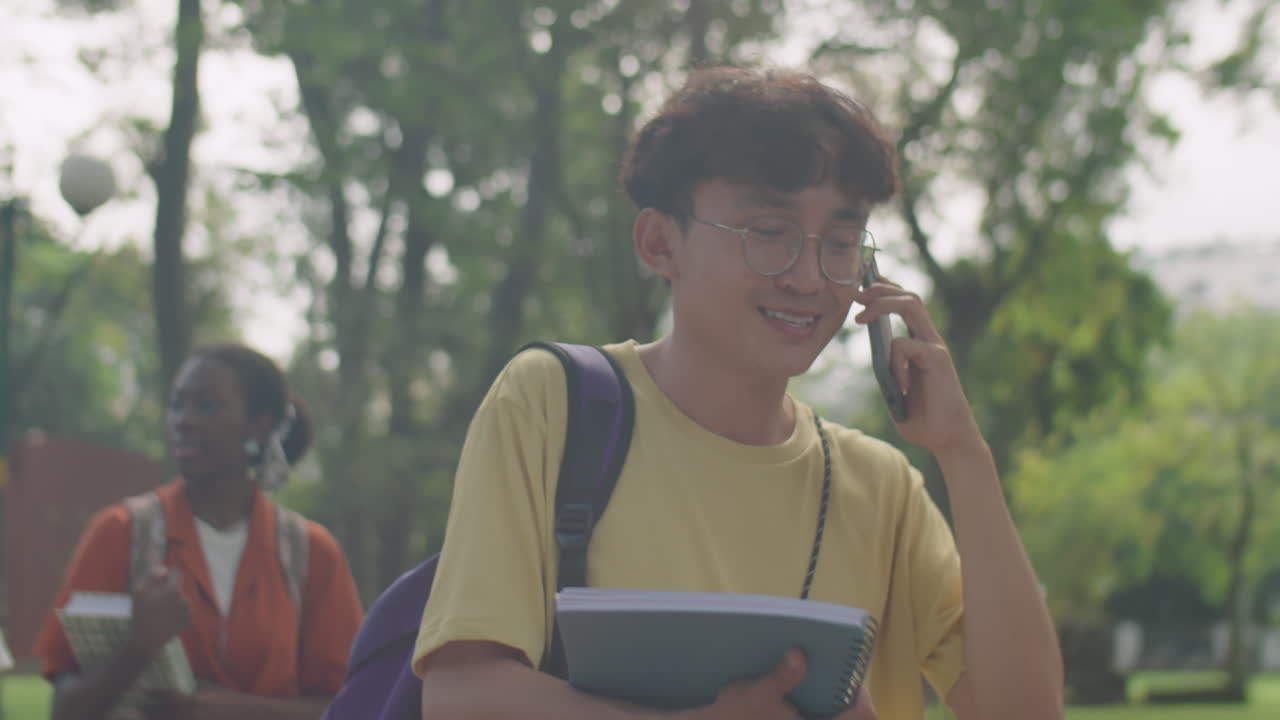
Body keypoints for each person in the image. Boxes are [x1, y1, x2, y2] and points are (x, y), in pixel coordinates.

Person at [413, 66, 1065, 720]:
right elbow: (461, 695)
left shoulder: (882, 488)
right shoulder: (551, 408)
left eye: (839, 243)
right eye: (768, 232)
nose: (809, 278)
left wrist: (963, 453)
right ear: (661, 242)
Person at [34, 343, 364, 720]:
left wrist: (228, 711)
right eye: (177, 405)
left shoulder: (311, 553)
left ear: (260, 424)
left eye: (206, 405)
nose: (183, 420)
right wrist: (139, 647)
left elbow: (350, 708)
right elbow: (65, 711)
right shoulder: (121, 534)